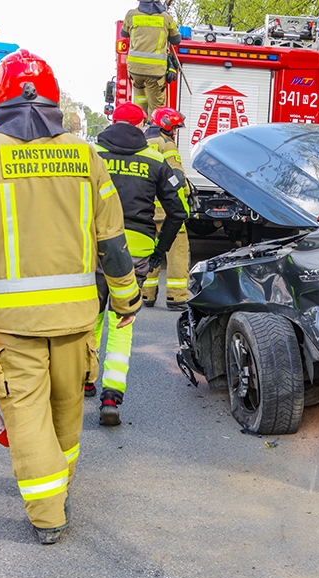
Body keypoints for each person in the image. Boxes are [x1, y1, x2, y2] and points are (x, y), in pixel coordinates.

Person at [0, 49, 141, 545]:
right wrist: (127, 300)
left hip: (13, 325)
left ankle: (48, 515)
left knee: (25, 413)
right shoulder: (85, 155)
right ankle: (59, 485)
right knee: (68, 408)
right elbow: (111, 239)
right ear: (52, 99)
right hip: (76, 317)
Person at [89, 101, 187, 425]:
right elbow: (178, 212)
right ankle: (110, 398)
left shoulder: (91, 155)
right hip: (136, 252)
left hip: (93, 248)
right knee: (122, 322)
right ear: (143, 125)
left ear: (112, 120)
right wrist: (160, 251)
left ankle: (85, 379)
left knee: (89, 319)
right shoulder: (155, 160)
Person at [143, 107, 191, 310]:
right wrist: (187, 193)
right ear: (166, 125)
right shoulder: (167, 144)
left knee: (149, 251)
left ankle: (146, 294)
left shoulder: (142, 143)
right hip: (166, 209)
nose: (176, 132)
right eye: (175, 127)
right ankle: (176, 296)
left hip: (145, 209)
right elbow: (177, 178)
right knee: (177, 253)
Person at [120, 0, 181, 117]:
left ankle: (139, 123)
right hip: (155, 72)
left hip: (135, 70)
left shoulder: (131, 15)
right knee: (157, 109)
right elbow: (176, 40)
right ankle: (153, 131)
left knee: (139, 100)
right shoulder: (166, 17)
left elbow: (124, 33)